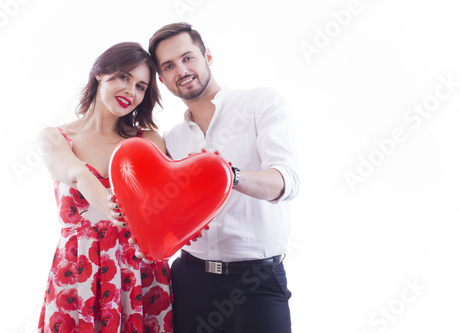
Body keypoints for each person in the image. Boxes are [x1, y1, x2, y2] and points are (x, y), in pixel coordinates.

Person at [146, 23, 299, 333]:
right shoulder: (171, 140)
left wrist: (229, 175)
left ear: (208, 57)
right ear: (162, 80)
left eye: (188, 58)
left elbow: (286, 181)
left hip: (257, 282)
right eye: (170, 66)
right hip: (190, 280)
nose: (182, 70)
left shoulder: (259, 103)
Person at [37, 42, 173, 333]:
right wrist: (120, 209)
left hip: (137, 272)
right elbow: (77, 175)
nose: (131, 91)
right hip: (77, 272)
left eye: (141, 86)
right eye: (124, 77)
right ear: (100, 73)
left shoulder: (147, 140)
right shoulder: (56, 138)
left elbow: (164, 205)